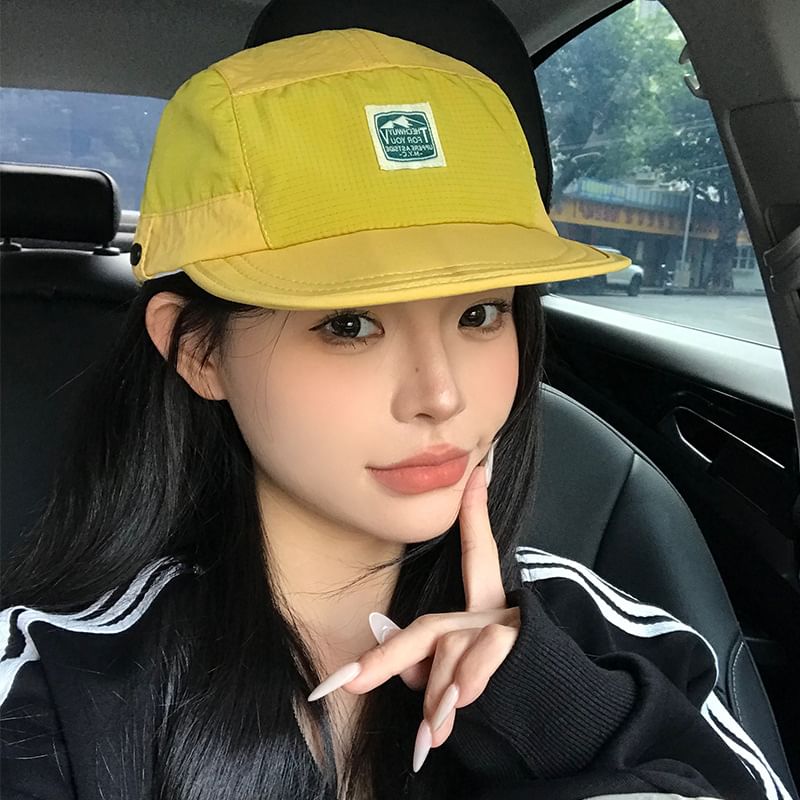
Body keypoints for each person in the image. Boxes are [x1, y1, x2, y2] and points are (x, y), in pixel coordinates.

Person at [0, 27, 793, 800]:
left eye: (479, 314)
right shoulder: (53, 686)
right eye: (350, 325)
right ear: (199, 353)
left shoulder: (612, 643)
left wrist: (560, 714)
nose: (441, 395)